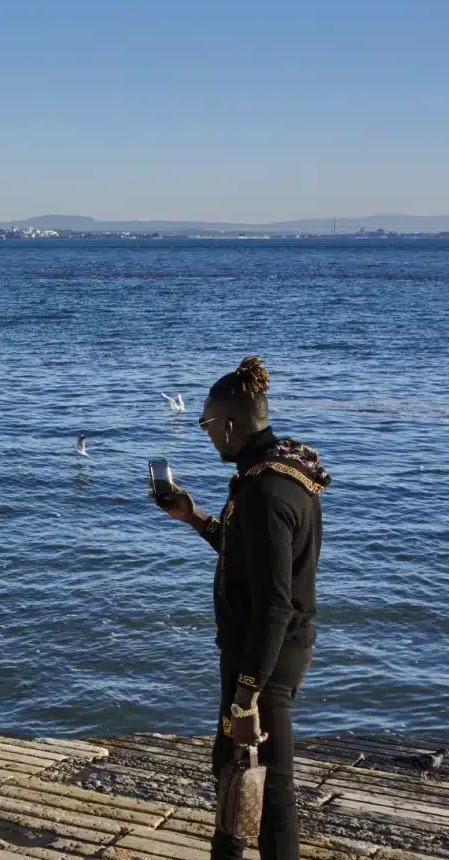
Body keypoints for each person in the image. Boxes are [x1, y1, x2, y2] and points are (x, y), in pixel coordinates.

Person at [152, 357, 328, 860]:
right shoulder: (282, 471)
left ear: (229, 423)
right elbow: (246, 555)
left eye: (208, 424)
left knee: (269, 788)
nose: (207, 435)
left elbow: (275, 603)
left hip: (264, 657)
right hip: (272, 650)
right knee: (235, 767)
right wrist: (194, 518)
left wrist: (246, 697)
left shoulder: (264, 493)